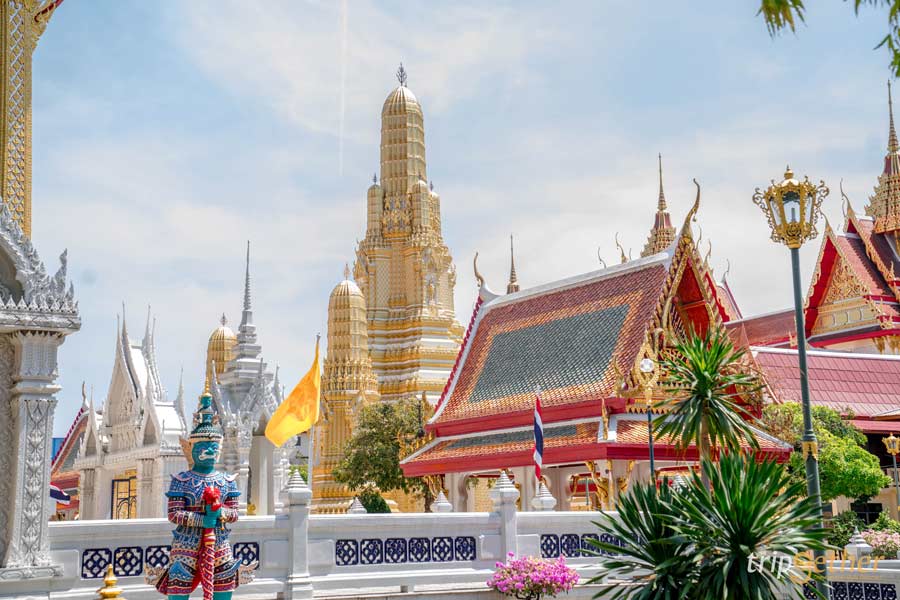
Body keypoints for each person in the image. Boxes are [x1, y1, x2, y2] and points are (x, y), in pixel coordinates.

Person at [146, 394, 255, 599]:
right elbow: (174, 514)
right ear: (191, 449)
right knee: (179, 588)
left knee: (223, 589)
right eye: (204, 447)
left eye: (214, 448)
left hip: (219, 542)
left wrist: (219, 513)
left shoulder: (226, 481)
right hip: (186, 543)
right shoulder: (182, 480)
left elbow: (234, 513)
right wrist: (201, 520)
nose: (210, 451)